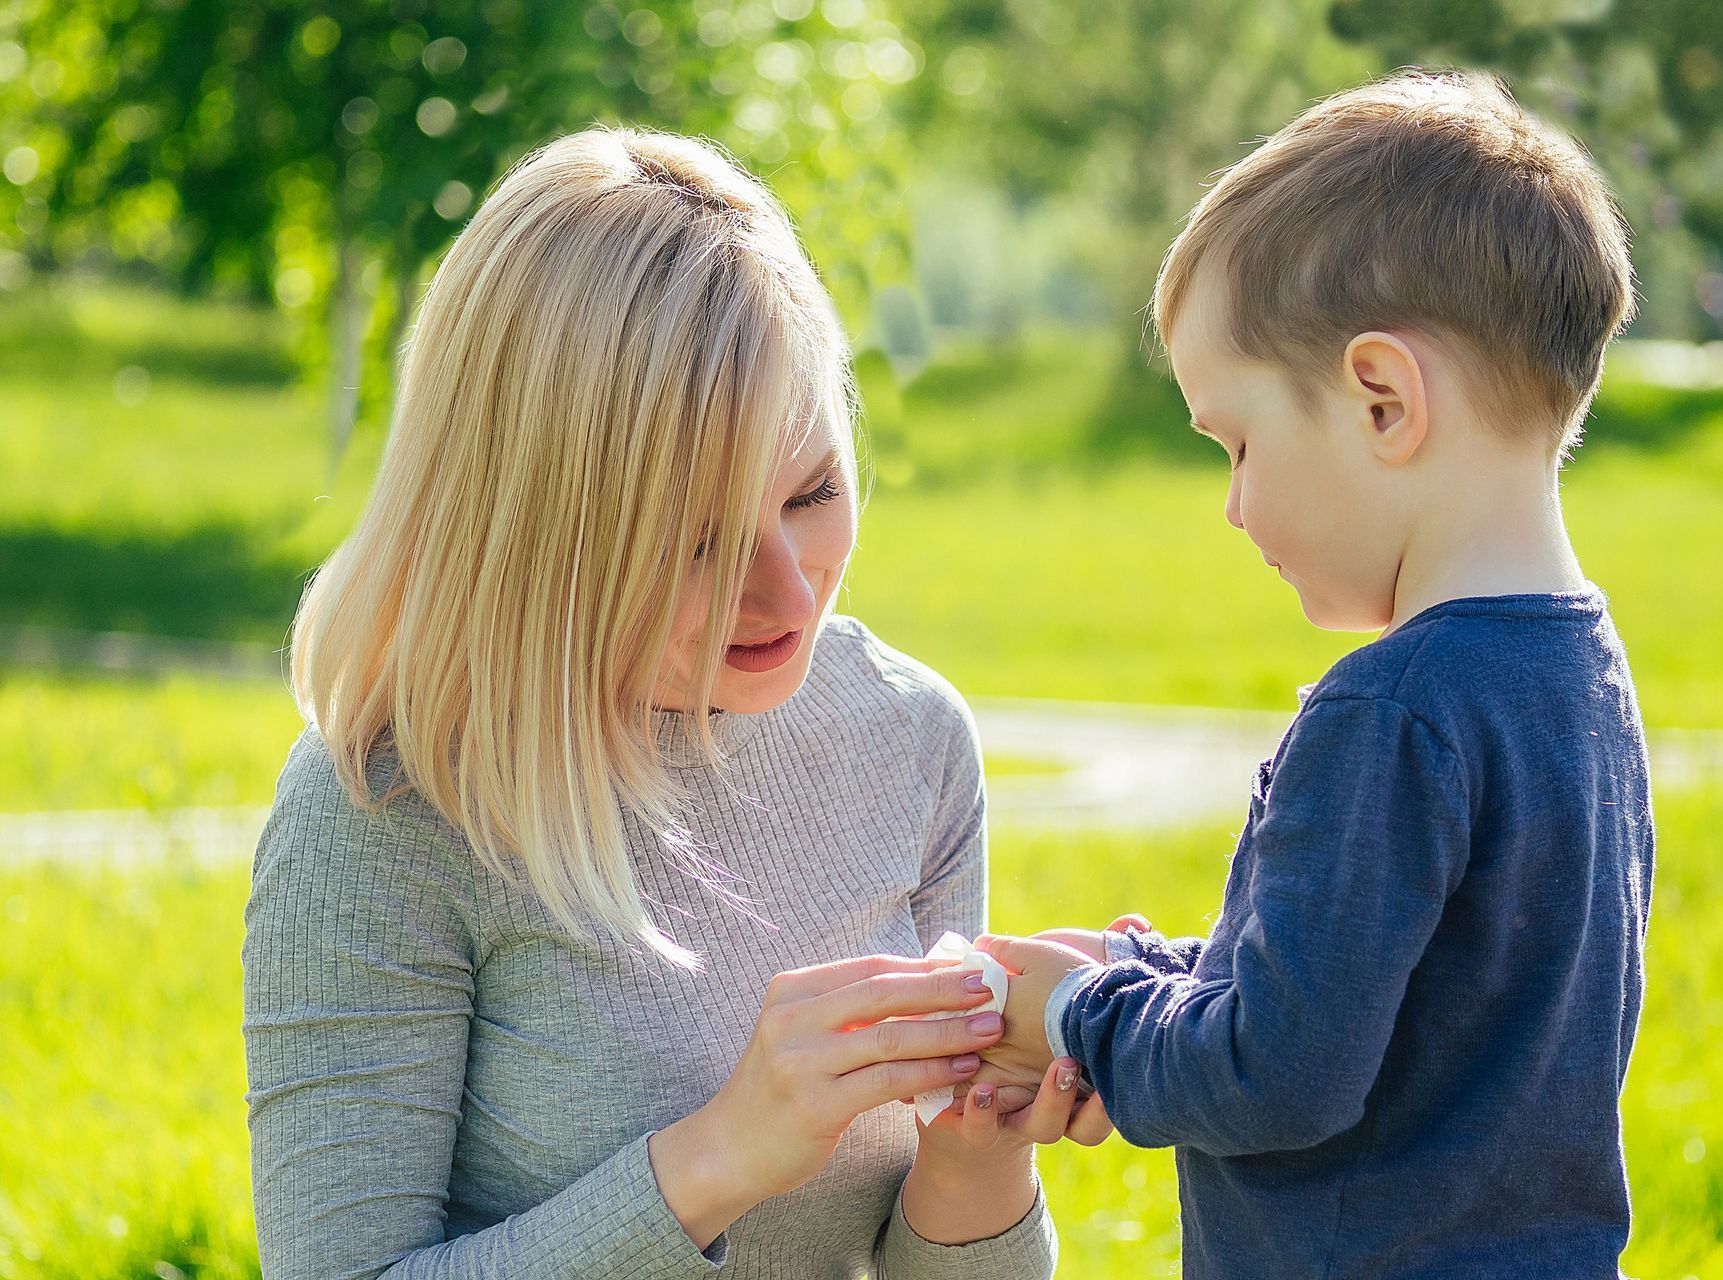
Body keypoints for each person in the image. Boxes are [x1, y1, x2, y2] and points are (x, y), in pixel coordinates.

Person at [241, 125, 1105, 1279]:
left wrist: (976, 1151)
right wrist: (719, 1156)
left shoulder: (908, 735)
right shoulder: (386, 806)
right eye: (694, 539)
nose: (786, 590)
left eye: (811, 492)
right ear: (528, 523)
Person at [976, 69, 1655, 1279]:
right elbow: (1395, 1006)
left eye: (1237, 442)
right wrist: (1147, 975)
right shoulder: (1578, 675)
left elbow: (1273, 1074)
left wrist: (1078, 1011)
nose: (1233, 505)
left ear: (1381, 400)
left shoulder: (1391, 712)